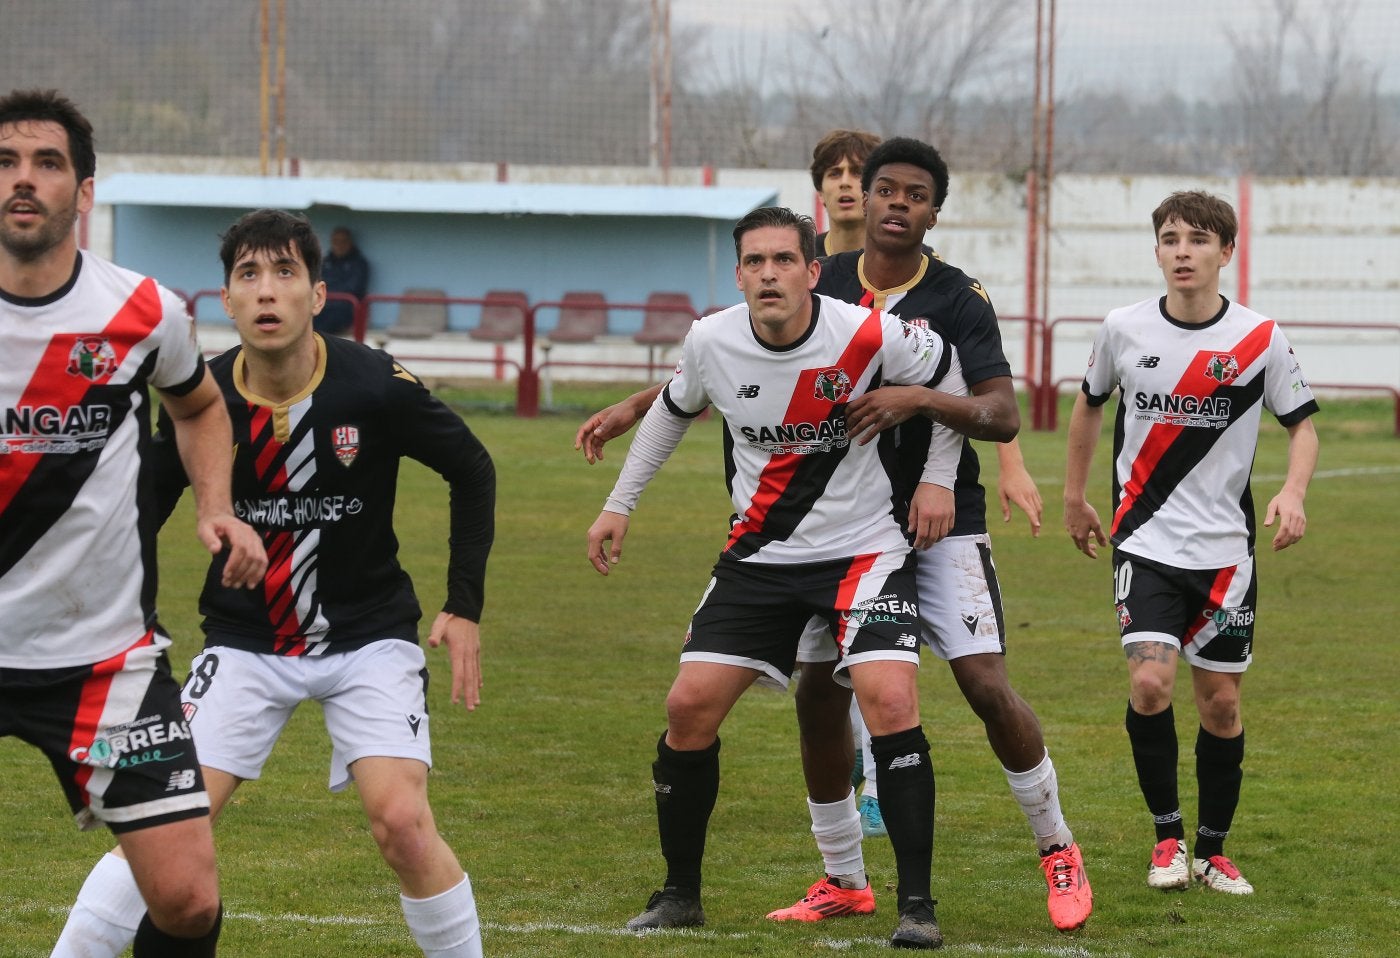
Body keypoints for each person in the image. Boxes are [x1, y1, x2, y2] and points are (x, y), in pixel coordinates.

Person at [576, 137, 1093, 933]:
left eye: (911, 194)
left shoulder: (955, 299)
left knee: (980, 683)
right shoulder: (821, 277)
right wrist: (634, 408)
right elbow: (725, 361)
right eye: (877, 187)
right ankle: (843, 876)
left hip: (933, 514)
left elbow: (993, 407)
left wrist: (923, 430)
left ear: (931, 211)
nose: (889, 202)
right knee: (818, 696)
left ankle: (1055, 845)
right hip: (806, 531)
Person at [53, 209, 496, 958]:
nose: (267, 292)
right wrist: (120, 616)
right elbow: (140, 511)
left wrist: (463, 605)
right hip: (247, 642)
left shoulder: (374, 384)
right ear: (225, 300)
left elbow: (472, 468)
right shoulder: (204, 400)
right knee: (163, 825)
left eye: (285, 273)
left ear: (318, 295)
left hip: (369, 637)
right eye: (248, 275)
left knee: (403, 825)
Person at [589, 205, 970, 949]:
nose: (769, 274)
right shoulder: (711, 339)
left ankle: (916, 906)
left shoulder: (866, 333)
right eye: (755, 262)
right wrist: (617, 506)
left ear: (812, 269)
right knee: (687, 708)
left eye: (783, 260)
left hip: (864, 552)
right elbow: (671, 412)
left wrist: (938, 480)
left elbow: (951, 379)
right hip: (759, 558)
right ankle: (679, 895)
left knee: (890, 700)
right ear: (738, 276)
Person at [1, 88, 266, 957]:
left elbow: (198, 408)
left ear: (84, 189)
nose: (23, 181)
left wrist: (218, 508)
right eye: (5, 163)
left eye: (46, 163)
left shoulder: (145, 313)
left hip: (102, 661)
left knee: (187, 901)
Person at [1063, 190, 1318, 896]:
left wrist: (1292, 491)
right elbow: (1087, 407)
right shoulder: (1123, 329)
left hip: (1226, 556)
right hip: (1143, 542)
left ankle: (1213, 851)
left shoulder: (1259, 338)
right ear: (1157, 251)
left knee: (1221, 707)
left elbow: (1302, 424)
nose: (1183, 251)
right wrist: (1075, 496)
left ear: (1226, 253)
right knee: (1149, 684)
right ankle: (1167, 839)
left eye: (1199, 240)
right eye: (1170, 238)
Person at [810, 128, 882, 257]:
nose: (844, 182)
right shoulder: (801, 259)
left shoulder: (914, 262)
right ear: (820, 193)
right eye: (835, 174)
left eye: (857, 172)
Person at [317, 225, 369, 337]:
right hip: (324, 305)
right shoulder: (325, 262)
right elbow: (317, 283)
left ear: (350, 243)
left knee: (331, 316)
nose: (339, 245)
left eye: (343, 241)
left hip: (345, 309)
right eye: (336, 241)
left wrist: (330, 290)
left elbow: (354, 288)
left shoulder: (359, 263)